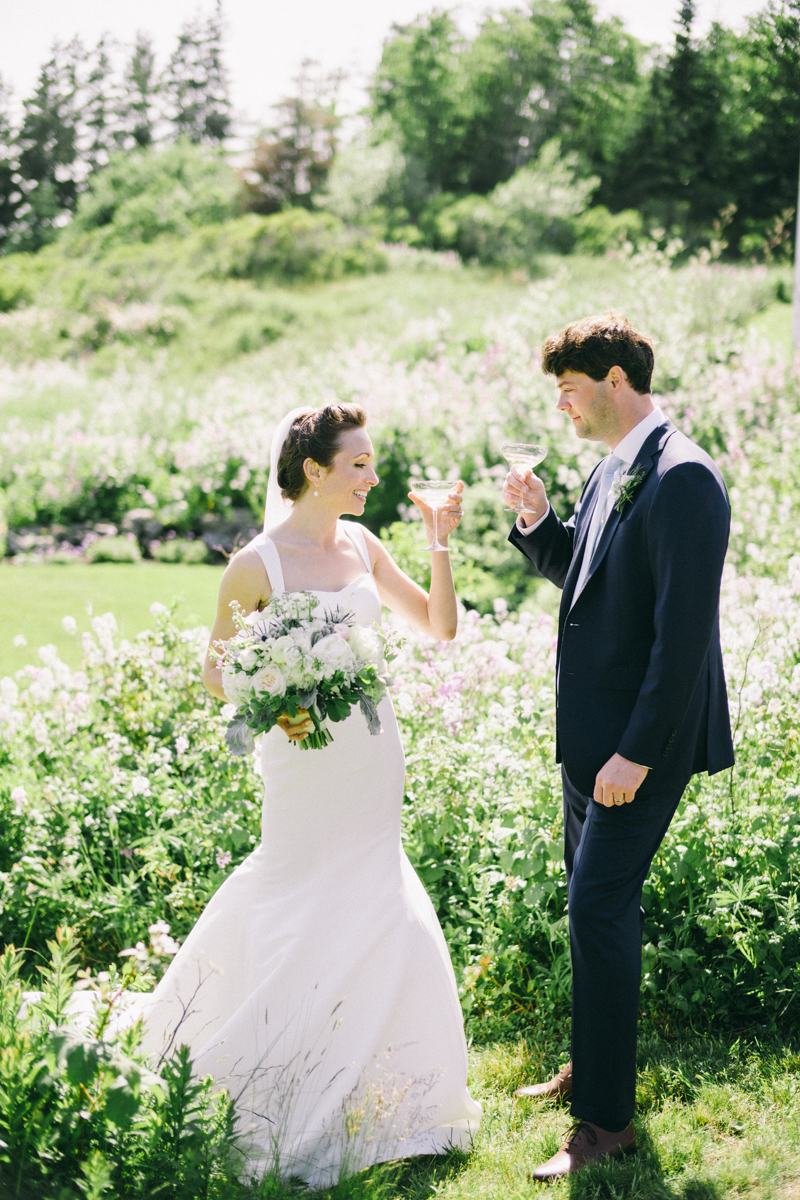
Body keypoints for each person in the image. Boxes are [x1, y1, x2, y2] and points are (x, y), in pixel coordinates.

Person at [140, 403, 481, 1186]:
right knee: (295, 893)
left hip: (369, 753)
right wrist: (279, 695)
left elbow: (438, 626)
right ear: (313, 471)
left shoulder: (363, 542)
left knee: (375, 897)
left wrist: (439, 543)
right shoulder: (256, 565)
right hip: (299, 761)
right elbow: (216, 670)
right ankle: (265, 1067)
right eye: (358, 464)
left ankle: (391, 1091)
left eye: (370, 462)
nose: (372, 475)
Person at [503, 313, 733, 1180]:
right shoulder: (613, 468)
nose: (561, 407)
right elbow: (588, 578)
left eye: (568, 389)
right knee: (594, 908)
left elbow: (682, 640)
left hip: (642, 743)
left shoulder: (685, 480)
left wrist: (635, 752)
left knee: (597, 907)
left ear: (612, 378)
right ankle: (591, 1069)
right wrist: (539, 524)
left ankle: (605, 1124)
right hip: (591, 740)